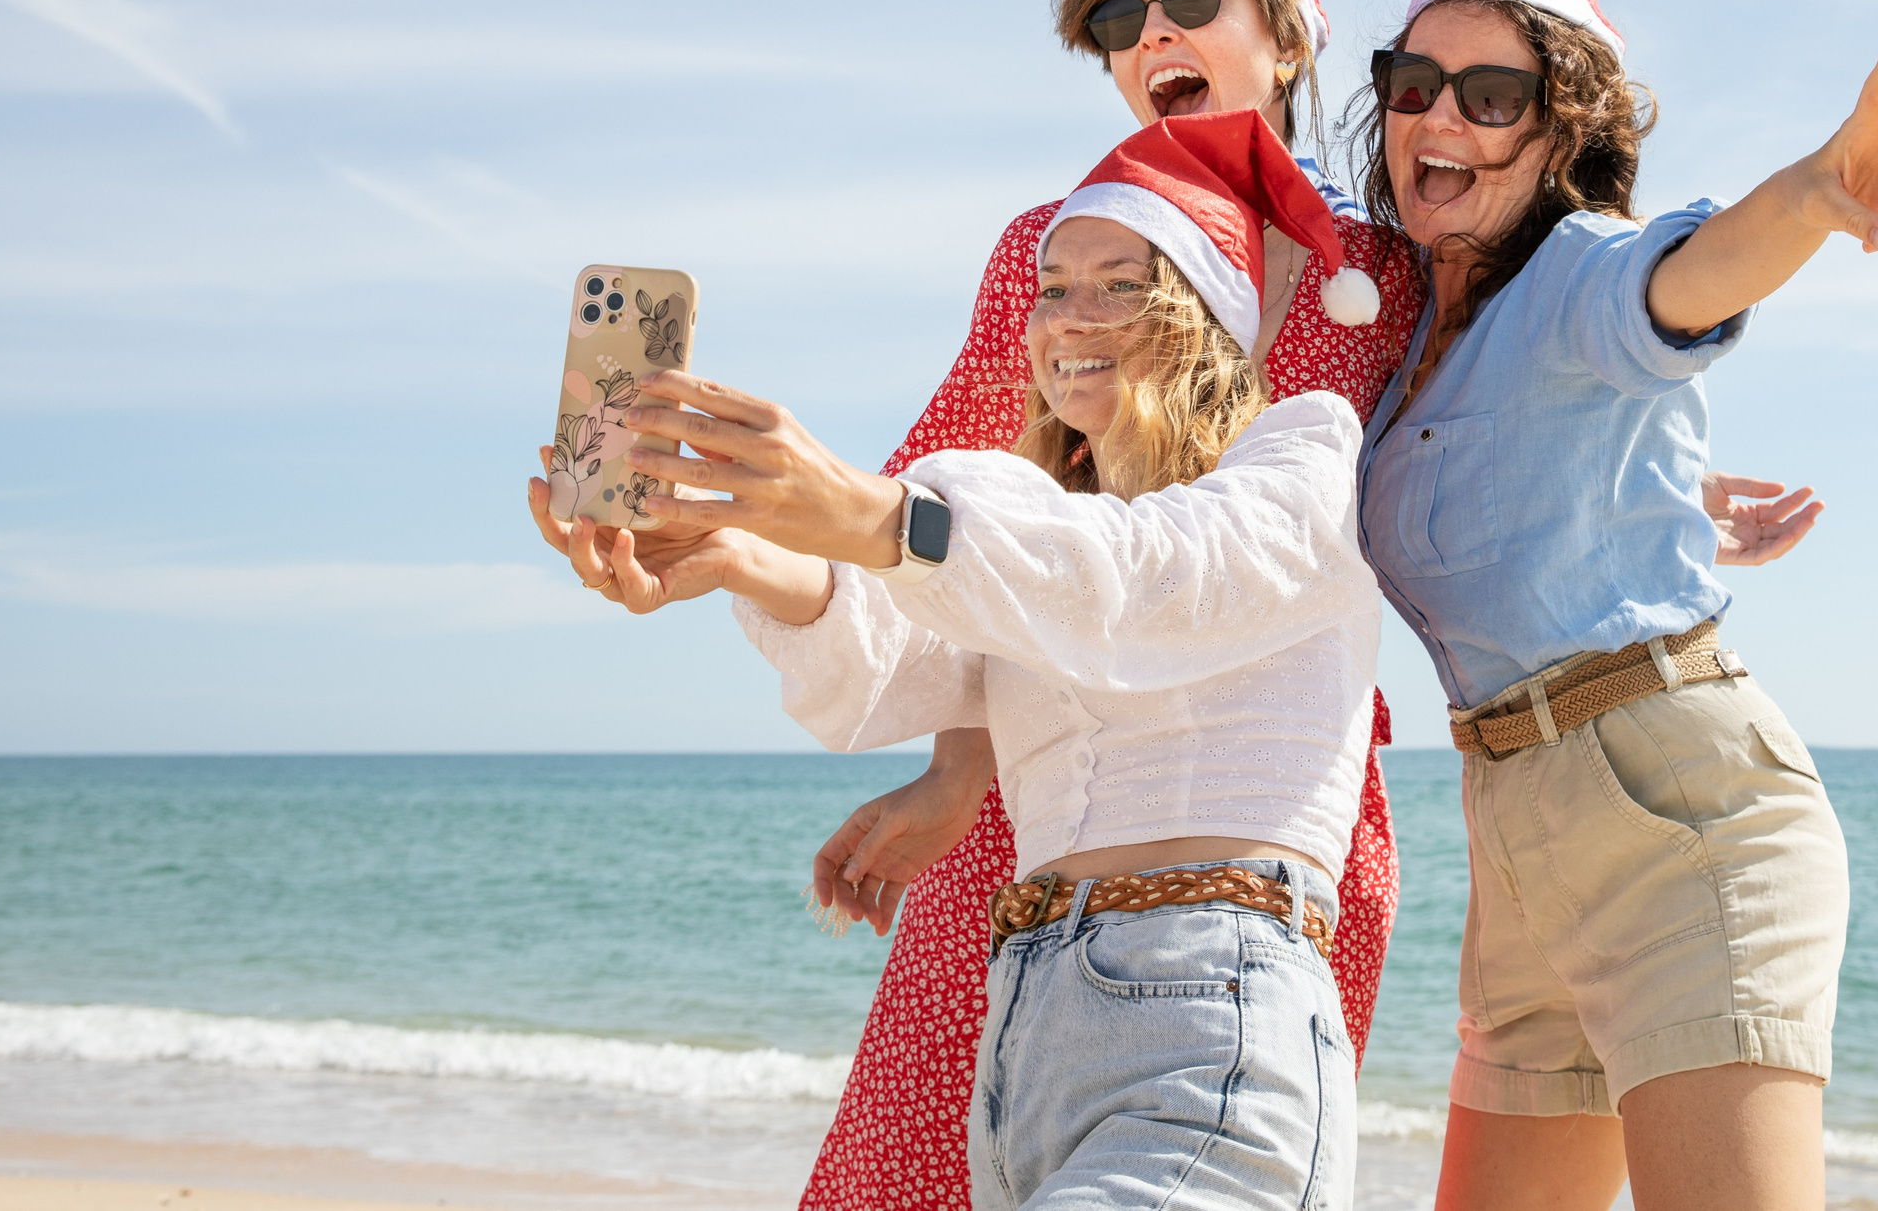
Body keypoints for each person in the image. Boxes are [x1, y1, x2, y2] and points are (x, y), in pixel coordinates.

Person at [554, 111, 1392, 1208]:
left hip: (1211, 1013)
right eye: (1050, 287)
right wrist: (734, 557)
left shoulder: (1303, 456)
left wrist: (878, 516)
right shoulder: (1040, 528)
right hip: (1026, 1038)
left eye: (1117, 285)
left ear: (1201, 317)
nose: (1065, 317)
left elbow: (1153, 578)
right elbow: (901, 666)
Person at [1354, 0, 1878, 1211]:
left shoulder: (1581, 267)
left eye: (1493, 96)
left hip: (1682, 821)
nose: (1441, 117)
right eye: (1415, 81)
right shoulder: (1399, 335)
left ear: (1562, 131)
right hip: (1515, 846)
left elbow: (1695, 272)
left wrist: (1816, 194)